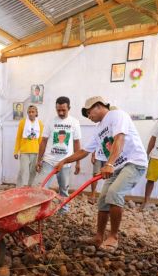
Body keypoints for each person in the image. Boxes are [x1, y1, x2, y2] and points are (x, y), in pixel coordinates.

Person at [55, 96, 148, 251]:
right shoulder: (98, 129)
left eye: (89, 112)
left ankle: (113, 237)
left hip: (134, 162)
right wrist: (64, 161)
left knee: (114, 193)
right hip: (117, 167)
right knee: (103, 199)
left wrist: (109, 164)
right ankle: (98, 237)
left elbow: (119, 138)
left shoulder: (117, 115)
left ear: (98, 106)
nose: (88, 117)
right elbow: (84, 151)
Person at [35, 96, 81, 213]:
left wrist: (77, 162)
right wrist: (39, 160)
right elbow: (43, 141)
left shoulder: (74, 122)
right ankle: (41, 211)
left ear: (69, 108)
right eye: (58, 110)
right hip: (49, 161)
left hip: (65, 162)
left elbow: (76, 143)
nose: (60, 112)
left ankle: (63, 210)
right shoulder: (50, 122)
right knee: (42, 188)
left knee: (64, 189)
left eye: (63, 110)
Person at [14, 105, 44, 187]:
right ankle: (19, 188)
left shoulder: (40, 124)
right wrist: (16, 151)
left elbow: (41, 140)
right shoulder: (22, 122)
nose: (31, 114)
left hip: (35, 151)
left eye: (33, 112)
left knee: (33, 171)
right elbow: (18, 137)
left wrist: (42, 154)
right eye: (29, 112)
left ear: (36, 113)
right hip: (24, 151)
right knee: (23, 170)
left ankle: (30, 187)